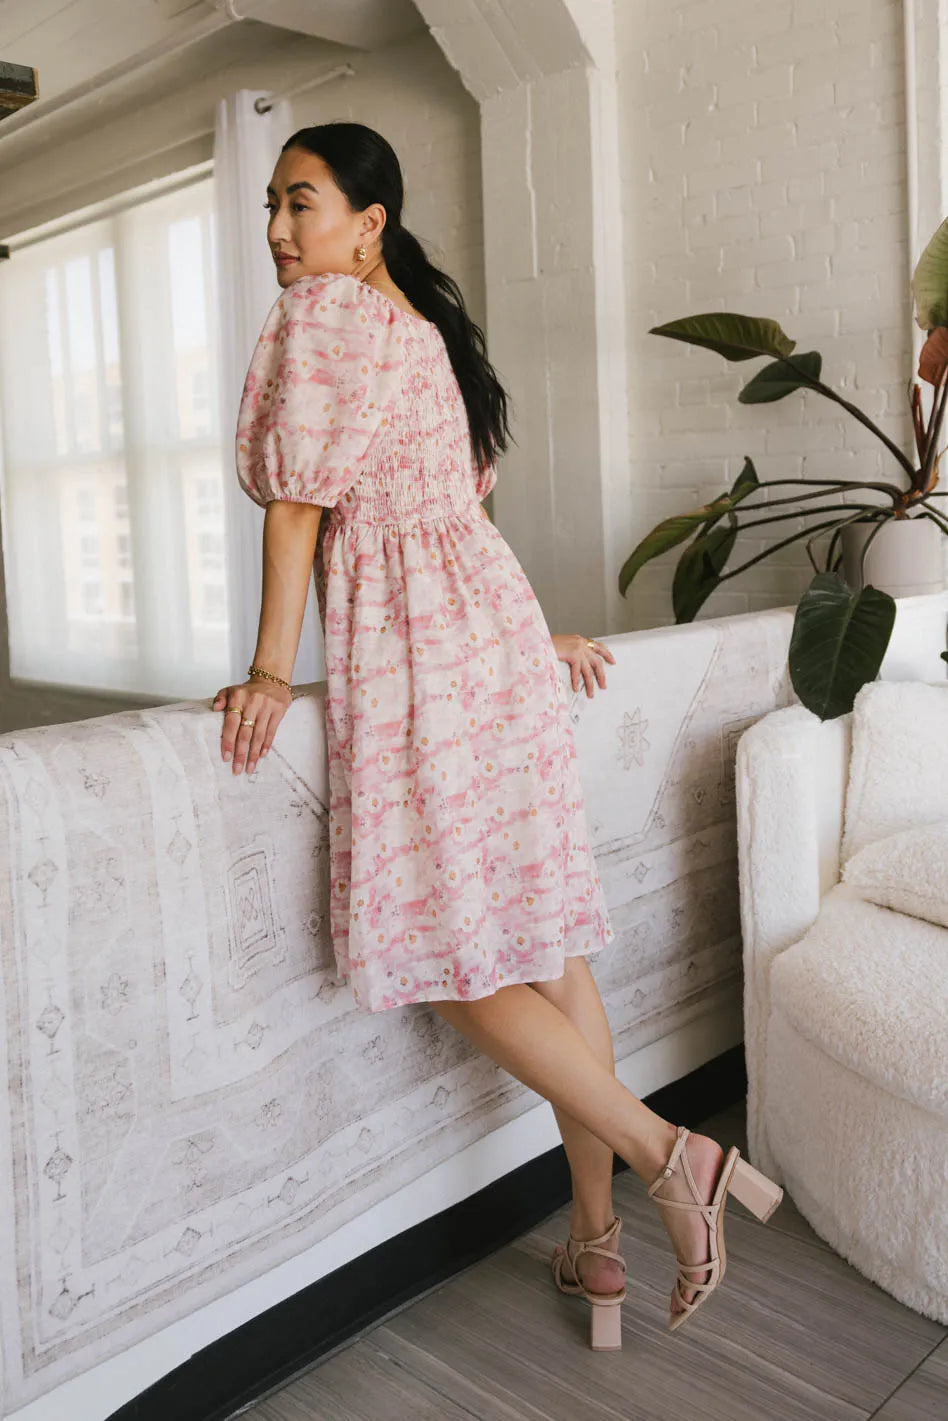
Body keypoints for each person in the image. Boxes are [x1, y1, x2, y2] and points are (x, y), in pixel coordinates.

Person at [212, 121, 783, 1351]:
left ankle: (667, 1151)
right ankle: (596, 1238)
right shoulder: (423, 332)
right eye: (272, 204)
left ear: (367, 223)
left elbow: (299, 514)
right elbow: (456, 519)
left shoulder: (326, 315)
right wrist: (528, 637)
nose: (278, 230)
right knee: (549, 948)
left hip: (420, 660)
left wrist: (266, 670)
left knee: (438, 954)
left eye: (301, 203)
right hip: (488, 640)